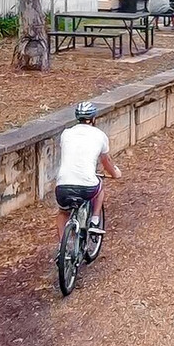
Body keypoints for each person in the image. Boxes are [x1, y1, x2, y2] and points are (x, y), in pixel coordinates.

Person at [55, 101, 121, 244]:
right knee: (99, 186)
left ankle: (63, 246)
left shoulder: (66, 134)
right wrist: (115, 173)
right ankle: (95, 220)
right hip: (87, 187)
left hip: (62, 186)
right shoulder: (100, 135)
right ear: (93, 118)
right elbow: (106, 162)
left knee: (63, 212)